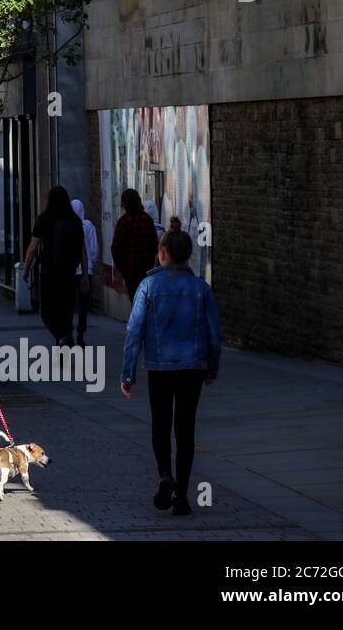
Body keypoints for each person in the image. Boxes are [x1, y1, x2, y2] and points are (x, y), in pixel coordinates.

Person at [120, 217, 222, 517]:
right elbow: (215, 334)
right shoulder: (201, 289)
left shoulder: (148, 285)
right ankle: (182, 495)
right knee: (186, 429)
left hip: (160, 367)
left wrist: (128, 373)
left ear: (162, 252)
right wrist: (212, 368)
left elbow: (133, 332)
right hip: (192, 367)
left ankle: (164, 473)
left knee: (161, 426)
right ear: (187, 253)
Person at [22, 186, 84, 346]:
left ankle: (61, 336)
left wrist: (26, 269)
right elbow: (82, 250)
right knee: (66, 307)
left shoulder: (44, 218)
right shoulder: (74, 220)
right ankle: (65, 336)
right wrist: (84, 274)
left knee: (47, 311)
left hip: (49, 272)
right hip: (70, 271)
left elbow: (32, 247)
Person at [111, 188, 160, 301]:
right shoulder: (147, 219)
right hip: (146, 267)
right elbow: (154, 243)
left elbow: (116, 248)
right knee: (146, 297)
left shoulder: (123, 221)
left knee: (134, 298)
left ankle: (137, 317)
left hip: (130, 268)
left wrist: (121, 267)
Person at [71, 199, 98, 347]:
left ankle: (68, 332)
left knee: (70, 304)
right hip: (86, 271)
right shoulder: (88, 226)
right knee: (83, 305)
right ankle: (80, 334)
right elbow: (94, 249)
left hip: (72, 270)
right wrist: (91, 263)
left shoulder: (70, 226)